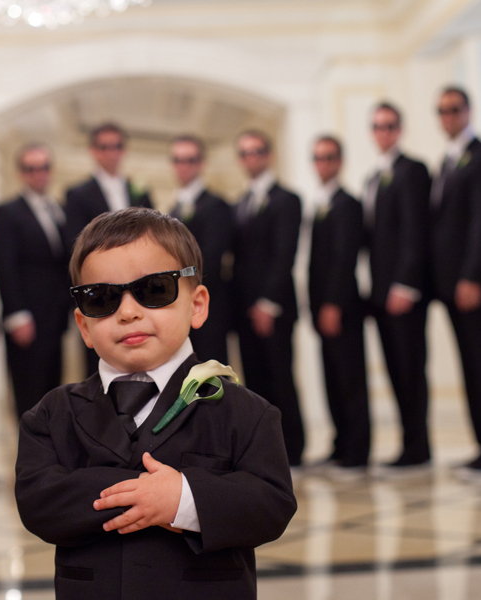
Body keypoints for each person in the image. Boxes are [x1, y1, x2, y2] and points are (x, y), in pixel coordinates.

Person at [15, 207, 297, 600]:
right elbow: (38, 500)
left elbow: (271, 504)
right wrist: (144, 494)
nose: (128, 312)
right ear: (84, 327)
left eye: (154, 290)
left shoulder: (246, 412)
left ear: (197, 305)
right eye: (102, 298)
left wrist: (182, 499)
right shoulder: (51, 413)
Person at [429, 87, 481, 480]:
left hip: (480, 282)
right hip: (451, 286)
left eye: (454, 109)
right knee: (471, 366)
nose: (448, 116)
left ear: (468, 111)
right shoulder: (444, 162)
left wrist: (471, 276)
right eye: (442, 111)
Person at [364, 103, 433, 473]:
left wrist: (405, 283)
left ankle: (418, 446)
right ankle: (408, 443)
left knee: (411, 368)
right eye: (377, 126)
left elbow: (415, 231)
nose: (383, 132)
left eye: (389, 125)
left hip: (404, 293)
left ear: (400, 129)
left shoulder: (413, 170)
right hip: (380, 295)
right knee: (395, 370)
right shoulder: (373, 178)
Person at [232, 130, 305, 467]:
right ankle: (266, 451)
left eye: (257, 151)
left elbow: (284, 255)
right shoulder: (240, 203)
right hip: (244, 309)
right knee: (255, 384)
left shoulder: (287, 199)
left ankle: (294, 449)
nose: (251, 158)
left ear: (269, 154)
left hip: (273, 308)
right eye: (245, 153)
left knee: (280, 378)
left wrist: (266, 302)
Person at [0, 144, 72, 418]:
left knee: (52, 389)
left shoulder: (57, 209)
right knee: (29, 392)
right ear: (21, 173)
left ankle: (51, 455)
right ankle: (31, 457)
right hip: (27, 318)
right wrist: (16, 315)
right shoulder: (6, 212)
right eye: (31, 168)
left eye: (44, 167)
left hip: (55, 316)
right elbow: (5, 267)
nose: (39, 174)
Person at [65, 122, 153, 375]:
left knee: (141, 350)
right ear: (93, 151)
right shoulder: (78, 195)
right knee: (100, 356)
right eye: (104, 147)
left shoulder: (139, 191)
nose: (111, 153)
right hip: (100, 289)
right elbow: (76, 244)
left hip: (139, 286)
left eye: (116, 146)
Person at [307, 135, 370, 478]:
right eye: (317, 158)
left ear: (340, 161)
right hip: (321, 307)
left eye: (329, 157)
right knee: (331, 378)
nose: (323, 164)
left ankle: (357, 451)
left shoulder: (348, 203)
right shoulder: (320, 202)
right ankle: (340, 444)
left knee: (350, 378)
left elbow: (344, 260)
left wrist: (332, 304)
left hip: (342, 307)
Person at [167, 135, 233, 364]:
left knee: (211, 372)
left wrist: (175, 281)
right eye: (178, 160)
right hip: (178, 306)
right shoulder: (173, 207)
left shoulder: (217, 205)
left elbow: (211, 259)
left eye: (190, 159)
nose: (183, 166)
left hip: (208, 304)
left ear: (201, 162)